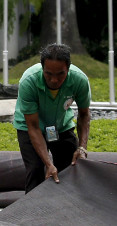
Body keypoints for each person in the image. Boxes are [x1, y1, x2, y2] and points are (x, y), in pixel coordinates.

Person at [13, 43, 92, 193]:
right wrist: (48, 163)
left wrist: (82, 147)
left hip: (60, 125)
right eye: (48, 73)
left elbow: (84, 114)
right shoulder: (29, 81)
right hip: (31, 127)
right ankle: (33, 211)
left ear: (68, 69)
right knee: (36, 169)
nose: (54, 80)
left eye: (60, 74)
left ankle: (68, 209)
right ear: (42, 68)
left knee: (71, 166)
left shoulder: (79, 80)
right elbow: (34, 127)